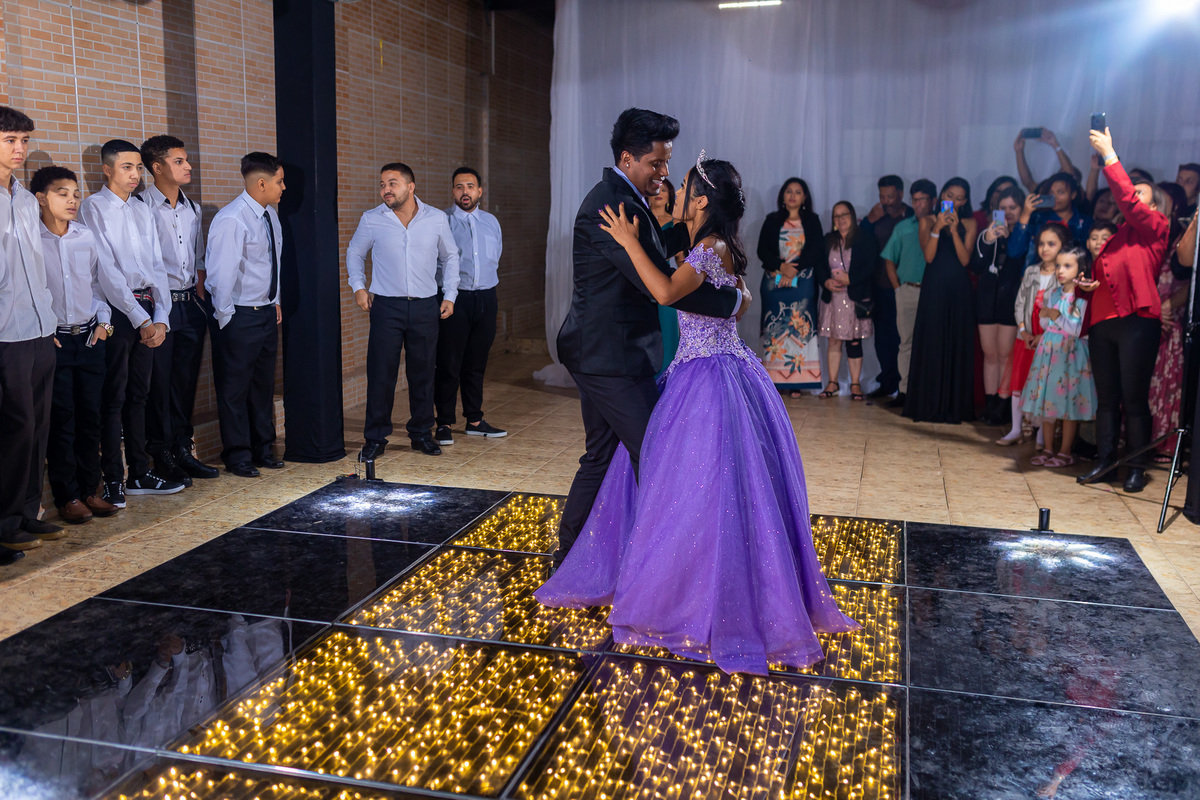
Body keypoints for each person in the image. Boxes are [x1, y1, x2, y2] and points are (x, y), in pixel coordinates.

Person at [537, 154, 859, 675]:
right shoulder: (710, 243)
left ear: (703, 200)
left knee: (697, 479)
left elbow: (666, 291)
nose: (676, 189)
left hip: (706, 375)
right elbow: (729, 296)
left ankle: (691, 591)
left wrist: (629, 241)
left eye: (685, 186)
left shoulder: (709, 248)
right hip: (709, 366)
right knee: (698, 478)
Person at [553, 109, 746, 565]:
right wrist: (732, 301)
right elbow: (658, 284)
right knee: (657, 453)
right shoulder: (609, 206)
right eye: (656, 164)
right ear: (627, 158)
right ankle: (660, 565)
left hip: (612, 351)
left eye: (667, 163)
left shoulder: (628, 197)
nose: (663, 174)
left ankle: (573, 557)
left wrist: (701, 231)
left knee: (601, 456)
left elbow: (655, 248)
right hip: (607, 357)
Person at [80, 139, 183, 506]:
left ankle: (139, 471)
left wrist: (161, 318)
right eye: (127, 167)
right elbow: (106, 271)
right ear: (107, 169)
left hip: (147, 307)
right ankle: (113, 479)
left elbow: (157, 265)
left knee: (140, 394)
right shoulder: (93, 207)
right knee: (114, 397)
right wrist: (140, 319)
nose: (136, 174)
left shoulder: (141, 208)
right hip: (117, 311)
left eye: (139, 167)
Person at [1076, 128, 1171, 493]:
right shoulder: (1115, 239)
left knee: (1133, 399)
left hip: (1137, 322)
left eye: (1139, 192)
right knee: (1107, 400)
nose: (1131, 195)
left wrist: (1109, 155)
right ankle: (1104, 462)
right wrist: (1086, 287)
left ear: (1154, 207)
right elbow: (1104, 281)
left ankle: (1135, 467)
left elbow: (1128, 201)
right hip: (1104, 323)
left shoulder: (1156, 228)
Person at [350, 162, 459, 460]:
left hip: (425, 306)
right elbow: (355, 252)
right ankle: (375, 438)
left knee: (423, 374)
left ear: (410, 187)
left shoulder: (436, 218)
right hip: (386, 307)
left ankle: (421, 434)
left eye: (392, 183)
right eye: (382, 184)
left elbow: (451, 257)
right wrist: (358, 286)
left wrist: (450, 295)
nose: (386, 189)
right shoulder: (372, 219)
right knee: (381, 374)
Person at [34, 166, 119, 524]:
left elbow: (99, 286)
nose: (72, 200)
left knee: (90, 418)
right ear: (41, 198)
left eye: (75, 194)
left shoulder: (85, 236)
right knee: (62, 420)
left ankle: (90, 490)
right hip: (53, 341)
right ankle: (67, 496)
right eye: (62, 193)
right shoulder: (31, 240)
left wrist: (104, 324)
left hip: (89, 338)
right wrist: (42, 329)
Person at [139, 135, 219, 484]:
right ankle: (161, 454)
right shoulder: (139, 206)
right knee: (158, 384)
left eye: (186, 160)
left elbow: (198, 259)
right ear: (157, 167)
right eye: (179, 161)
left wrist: (200, 300)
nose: (188, 166)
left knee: (185, 382)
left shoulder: (192, 208)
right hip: (159, 305)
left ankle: (183, 449)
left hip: (190, 304)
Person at [0, 106, 61, 550]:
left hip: (38, 329)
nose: (20, 148)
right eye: (10, 140)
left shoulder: (24, 198)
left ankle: (25, 513)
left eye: (24, 140)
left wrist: (48, 321)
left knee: (38, 426)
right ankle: (3, 524)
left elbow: (36, 269)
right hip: (5, 334)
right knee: (13, 428)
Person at [204, 152, 287, 477]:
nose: (283, 187)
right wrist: (227, 318)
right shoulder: (232, 218)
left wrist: (274, 300)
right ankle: (238, 455)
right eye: (280, 181)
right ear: (262, 183)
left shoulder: (270, 216)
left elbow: (272, 263)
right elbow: (220, 275)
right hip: (238, 315)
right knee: (234, 389)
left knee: (262, 386)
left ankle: (263, 448)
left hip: (264, 312)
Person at [433, 166, 504, 447]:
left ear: (479, 191)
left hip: (486, 298)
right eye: (460, 187)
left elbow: (495, 256)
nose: (465, 192)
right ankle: (444, 423)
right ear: (453, 191)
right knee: (449, 363)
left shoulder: (491, 222)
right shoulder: (442, 221)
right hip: (454, 299)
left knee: (476, 362)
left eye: (470, 187)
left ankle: (474, 420)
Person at [903, 178, 978, 423]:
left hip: (959, 289)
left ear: (965, 201)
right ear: (942, 195)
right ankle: (928, 403)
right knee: (932, 340)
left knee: (956, 341)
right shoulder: (926, 221)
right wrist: (938, 227)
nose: (953, 201)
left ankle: (954, 406)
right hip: (934, 287)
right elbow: (929, 256)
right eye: (949, 195)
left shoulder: (969, 223)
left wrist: (954, 231)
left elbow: (965, 260)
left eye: (959, 198)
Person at [1022, 244, 1096, 468]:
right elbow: (1046, 324)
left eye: (1067, 266)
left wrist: (1057, 316)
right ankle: (1047, 448)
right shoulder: (1054, 293)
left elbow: (1077, 328)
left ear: (1081, 269)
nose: (1060, 270)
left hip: (1070, 352)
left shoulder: (1081, 298)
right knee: (1048, 401)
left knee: (1068, 403)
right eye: (1058, 266)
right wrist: (1046, 315)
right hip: (1049, 351)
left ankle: (1065, 451)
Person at [1001, 225, 1068, 446]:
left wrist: (1046, 334)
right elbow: (1020, 303)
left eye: (1051, 244)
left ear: (1062, 247)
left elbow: (1063, 309)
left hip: (1049, 338)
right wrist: (1022, 330)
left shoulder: (1064, 275)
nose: (1045, 249)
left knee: (1044, 385)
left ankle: (1042, 435)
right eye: (1041, 244)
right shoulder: (1031, 271)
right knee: (1019, 382)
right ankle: (1016, 429)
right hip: (1027, 337)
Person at [756, 177, 824, 397]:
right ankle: (775, 380)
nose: (793, 195)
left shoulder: (812, 220)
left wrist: (793, 270)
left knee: (799, 328)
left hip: (802, 282)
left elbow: (817, 250)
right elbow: (762, 250)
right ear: (782, 196)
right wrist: (781, 267)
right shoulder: (772, 220)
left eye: (798, 192)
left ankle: (797, 381)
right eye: (789, 191)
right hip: (775, 282)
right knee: (775, 329)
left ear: (804, 198)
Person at [971, 185, 1026, 426]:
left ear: (1021, 209)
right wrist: (988, 239)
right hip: (987, 298)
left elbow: (1018, 260)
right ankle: (990, 402)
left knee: (1006, 354)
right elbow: (975, 265)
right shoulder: (988, 233)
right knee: (990, 354)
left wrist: (1009, 237)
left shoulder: (1024, 234)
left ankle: (1004, 404)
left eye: (1013, 207)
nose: (1009, 212)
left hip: (1010, 299)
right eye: (1003, 208)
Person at [879, 179, 935, 409]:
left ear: (933, 201)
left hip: (934, 293)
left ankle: (930, 392)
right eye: (915, 200)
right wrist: (898, 289)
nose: (918, 204)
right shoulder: (903, 227)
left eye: (923, 199)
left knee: (933, 342)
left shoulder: (940, 226)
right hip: (908, 290)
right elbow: (889, 259)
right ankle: (904, 391)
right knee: (906, 343)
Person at [815, 201, 876, 400]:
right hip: (832, 297)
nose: (840, 219)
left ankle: (855, 384)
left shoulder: (864, 238)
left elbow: (871, 265)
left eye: (844, 215)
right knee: (833, 340)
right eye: (837, 216)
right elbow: (819, 265)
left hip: (854, 297)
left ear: (853, 216)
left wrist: (851, 279)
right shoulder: (828, 239)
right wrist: (826, 282)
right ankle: (832, 383)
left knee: (854, 341)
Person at [858, 175, 911, 399]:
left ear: (901, 194)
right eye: (882, 196)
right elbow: (860, 243)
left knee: (904, 338)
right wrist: (868, 222)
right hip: (880, 286)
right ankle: (888, 382)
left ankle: (905, 385)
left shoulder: (911, 216)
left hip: (906, 285)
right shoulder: (876, 216)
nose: (886, 201)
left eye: (890, 196)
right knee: (883, 338)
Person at [1009, 171, 1092, 266]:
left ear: (1073, 195)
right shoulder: (1037, 218)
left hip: (1073, 273)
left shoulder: (1085, 222)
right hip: (1038, 273)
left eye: (1060, 192)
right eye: (1051, 193)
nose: (1055, 197)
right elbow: (1014, 251)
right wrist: (1025, 214)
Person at [649, 176, 681, 377]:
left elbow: (682, 260)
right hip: (641, 283)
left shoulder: (676, 223)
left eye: (664, 190)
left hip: (665, 283)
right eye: (656, 189)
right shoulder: (641, 218)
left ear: (670, 195)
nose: (659, 193)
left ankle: (667, 383)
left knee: (667, 334)